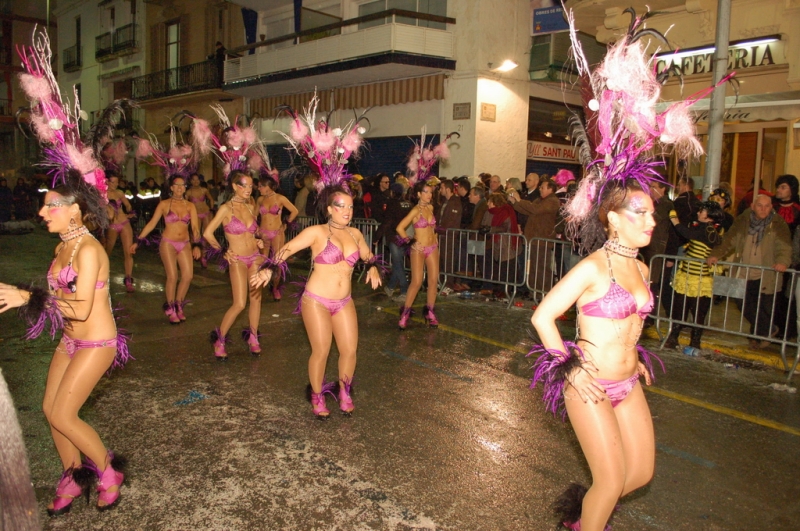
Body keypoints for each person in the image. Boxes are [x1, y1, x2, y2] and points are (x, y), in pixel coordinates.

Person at [0, 171, 130, 515]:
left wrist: (27, 296)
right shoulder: (63, 246)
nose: (42, 213)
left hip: (97, 343)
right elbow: (59, 300)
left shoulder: (89, 250)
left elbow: (84, 308)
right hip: (69, 342)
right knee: (49, 410)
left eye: (50, 206)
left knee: (64, 414)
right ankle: (73, 476)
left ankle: (108, 471)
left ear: (74, 209)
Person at [254, 93, 380, 418]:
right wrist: (270, 268)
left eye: (351, 207)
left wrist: (374, 267)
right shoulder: (316, 233)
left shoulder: (354, 234)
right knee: (321, 350)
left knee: (350, 349)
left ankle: (344, 390)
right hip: (317, 301)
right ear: (329, 208)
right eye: (342, 207)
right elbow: (285, 249)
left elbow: (367, 254)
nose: (348, 212)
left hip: (345, 301)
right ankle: (317, 395)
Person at [707, 194, 792, 349]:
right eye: (760, 205)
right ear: (753, 206)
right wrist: (716, 254)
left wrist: (782, 262)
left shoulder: (778, 223)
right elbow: (729, 239)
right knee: (742, 302)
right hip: (743, 270)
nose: (763, 209)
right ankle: (768, 330)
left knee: (763, 306)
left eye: (767, 206)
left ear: (771, 207)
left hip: (766, 272)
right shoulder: (743, 220)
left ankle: (757, 336)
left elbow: (784, 246)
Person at [204, 171, 266, 359]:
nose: (248, 189)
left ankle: (253, 337)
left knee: (256, 300)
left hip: (255, 257)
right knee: (239, 303)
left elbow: (252, 233)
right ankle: (219, 339)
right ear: (233, 186)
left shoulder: (250, 206)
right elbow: (207, 233)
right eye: (243, 185)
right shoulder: (225, 209)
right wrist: (223, 250)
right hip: (237, 259)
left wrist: (258, 241)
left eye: (250, 186)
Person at [131, 175, 201, 324]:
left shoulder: (190, 205)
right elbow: (151, 224)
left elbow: (195, 227)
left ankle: (178, 304)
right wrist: (138, 241)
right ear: (171, 187)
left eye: (183, 185)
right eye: (177, 185)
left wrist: (197, 245)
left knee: (188, 276)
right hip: (168, 243)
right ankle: (170, 308)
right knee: (172, 276)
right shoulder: (164, 204)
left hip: (185, 243)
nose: (180, 188)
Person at [663, 201, 725, 349]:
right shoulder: (704, 228)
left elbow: (687, 233)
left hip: (699, 278)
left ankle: (694, 341)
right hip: (687, 274)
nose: (698, 213)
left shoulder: (709, 230)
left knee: (698, 312)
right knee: (680, 308)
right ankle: (674, 337)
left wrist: (674, 219)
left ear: (710, 217)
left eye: (702, 211)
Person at [397, 181, 441, 328]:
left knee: (433, 281)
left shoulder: (431, 207)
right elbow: (400, 228)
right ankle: (405, 313)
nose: (429, 195)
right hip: (418, 249)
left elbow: (433, 228)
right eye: (426, 192)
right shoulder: (415, 210)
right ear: (418, 194)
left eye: (430, 192)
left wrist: (434, 239)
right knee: (416, 281)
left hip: (432, 248)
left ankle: (430, 312)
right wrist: (410, 241)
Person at [508, 179, 560, 292]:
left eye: (543, 187)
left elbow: (535, 209)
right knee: (532, 267)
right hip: (534, 239)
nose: (540, 189)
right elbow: (528, 210)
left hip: (542, 239)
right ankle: (535, 291)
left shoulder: (552, 201)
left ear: (550, 189)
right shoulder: (541, 200)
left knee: (541, 267)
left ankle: (545, 291)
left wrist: (519, 200)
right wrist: (515, 202)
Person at [256, 173, 298, 301]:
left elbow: (294, 211)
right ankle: (260, 285)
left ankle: (275, 288)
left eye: (260, 186)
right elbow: (253, 216)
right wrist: (255, 228)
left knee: (277, 262)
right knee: (262, 261)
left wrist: (286, 223)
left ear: (267, 186)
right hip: (263, 233)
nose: (258, 189)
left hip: (277, 233)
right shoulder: (260, 200)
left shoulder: (280, 198)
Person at [376, 182, 411, 300]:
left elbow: (387, 222)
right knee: (398, 263)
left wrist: (377, 236)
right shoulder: (408, 204)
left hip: (394, 238)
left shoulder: (392, 204)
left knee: (398, 264)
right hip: (405, 237)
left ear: (392, 192)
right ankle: (390, 287)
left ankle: (405, 290)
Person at [104, 174, 136, 292]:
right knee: (107, 251)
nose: (116, 184)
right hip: (111, 225)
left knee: (129, 252)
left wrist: (130, 210)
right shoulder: (102, 194)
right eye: (113, 182)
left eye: (117, 182)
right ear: (107, 182)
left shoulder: (119, 193)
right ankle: (101, 275)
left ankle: (128, 279)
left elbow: (127, 204)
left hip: (124, 222)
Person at [186, 172, 216, 267]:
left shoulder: (204, 190)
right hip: (196, 215)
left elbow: (211, 199)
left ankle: (204, 255)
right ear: (191, 181)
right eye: (193, 180)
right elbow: (185, 204)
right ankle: (195, 254)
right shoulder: (188, 192)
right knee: (196, 236)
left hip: (206, 213)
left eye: (197, 179)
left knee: (206, 235)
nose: (196, 181)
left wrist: (211, 209)